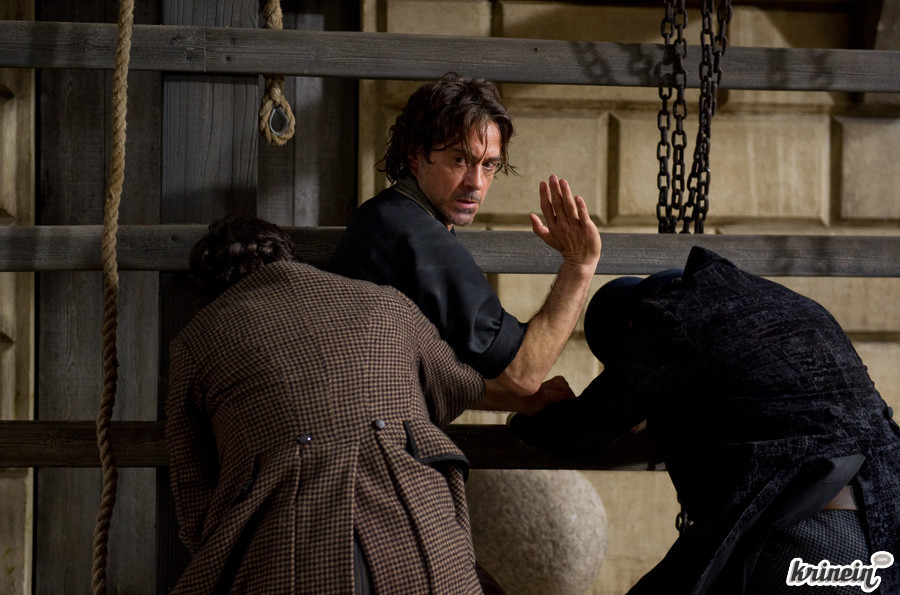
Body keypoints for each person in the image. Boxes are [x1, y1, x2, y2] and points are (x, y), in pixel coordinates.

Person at [509, 246, 900, 594]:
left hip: (806, 539)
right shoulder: (792, 305)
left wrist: (527, 415)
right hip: (886, 524)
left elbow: (579, 430)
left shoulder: (667, 317)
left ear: (629, 329)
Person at [166, 215, 519, 593]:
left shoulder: (195, 340)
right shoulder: (386, 302)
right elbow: (459, 385)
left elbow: (193, 493)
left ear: (210, 285)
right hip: (421, 538)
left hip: (280, 548)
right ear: (289, 256)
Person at [329, 73, 602, 408]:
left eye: (488, 165)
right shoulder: (416, 234)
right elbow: (524, 372)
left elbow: (410, 373)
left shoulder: (388, 215)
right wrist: (579, 264)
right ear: (415, 155)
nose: (476, 183)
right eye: (459, 160)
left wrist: (517, 401)